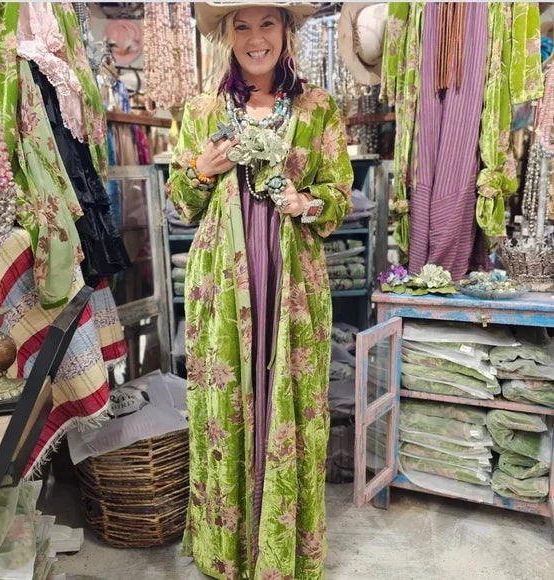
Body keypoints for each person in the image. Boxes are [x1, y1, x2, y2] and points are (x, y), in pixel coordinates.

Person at [167, 3, 353, 578]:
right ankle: (228, 549)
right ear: (228, 34)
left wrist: (305, 201)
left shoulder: (317, 108)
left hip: (291, 280)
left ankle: (280, 550)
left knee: (288, 397)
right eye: (241, 25)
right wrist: (203, 167)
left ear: (285, 30)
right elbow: (181, 203)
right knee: (226, 400)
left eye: (266, 23)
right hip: (223, 283)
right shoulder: (202, 110)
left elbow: (340, 193)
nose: (255, 38)